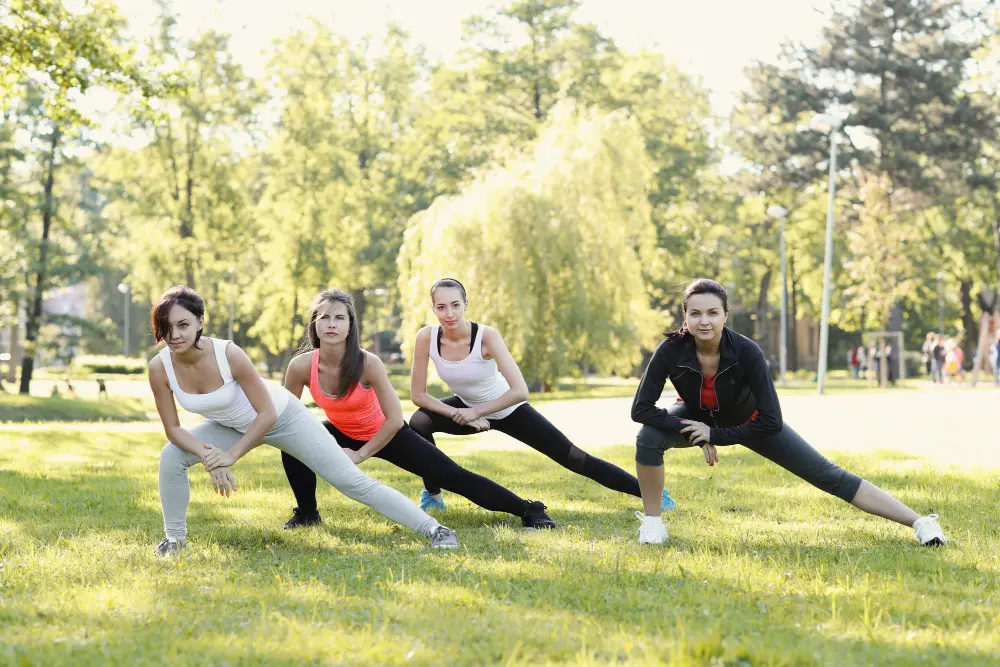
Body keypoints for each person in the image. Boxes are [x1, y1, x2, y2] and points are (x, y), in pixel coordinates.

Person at [630, 278, 946, 547]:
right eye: (695, 313)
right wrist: (692, 430)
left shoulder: (747, 352)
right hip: (698, 416)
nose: (704, 321)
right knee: (648, 437)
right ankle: (653, 524)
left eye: (713, 312)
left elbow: (771, 420)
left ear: (726, 315)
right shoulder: (671, 350)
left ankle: (920, 523)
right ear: (685, 316)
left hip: (752, 421)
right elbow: (640, 409)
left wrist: (715, 435)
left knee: (828, 476)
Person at [150, 286, 460, 556]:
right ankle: (174, 540)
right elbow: (173, 429)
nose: (175, 335)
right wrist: (209, 456)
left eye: (183, 325)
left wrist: (229, 457)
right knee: (171, 455)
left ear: (200, 322)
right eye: (167, 327)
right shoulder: (159, 367)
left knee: (350, 481)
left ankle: (434, 529)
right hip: (231, 426)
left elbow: (268, 414)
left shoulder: (228, 354)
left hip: (282, 417)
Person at [278, 289, 556, 530]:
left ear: (351, 325)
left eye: (339, 317)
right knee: (292, 444)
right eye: (324, 317)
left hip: (389, 433)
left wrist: (361, 454)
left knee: (452, 476)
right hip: (341, 430)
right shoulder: (300, 367)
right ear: (314, 324)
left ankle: (528, 510)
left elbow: (396, 418)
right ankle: (307, 513)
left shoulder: (368, 363)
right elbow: (288, 417)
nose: (331, 324)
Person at [406, 278, 676, 513]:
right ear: (433, 309)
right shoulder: (426, 338)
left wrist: (477, 412)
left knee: (574, 458)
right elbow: (418, 394)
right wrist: (458, 413)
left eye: (455, 305)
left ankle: (651, 494)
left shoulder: (486, 336)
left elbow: (520, 391)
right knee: (419, 423)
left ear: (466, 304)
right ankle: (433, 496)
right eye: (441, 307)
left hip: (507, 409)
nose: (449, 313)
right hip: (466, 408)